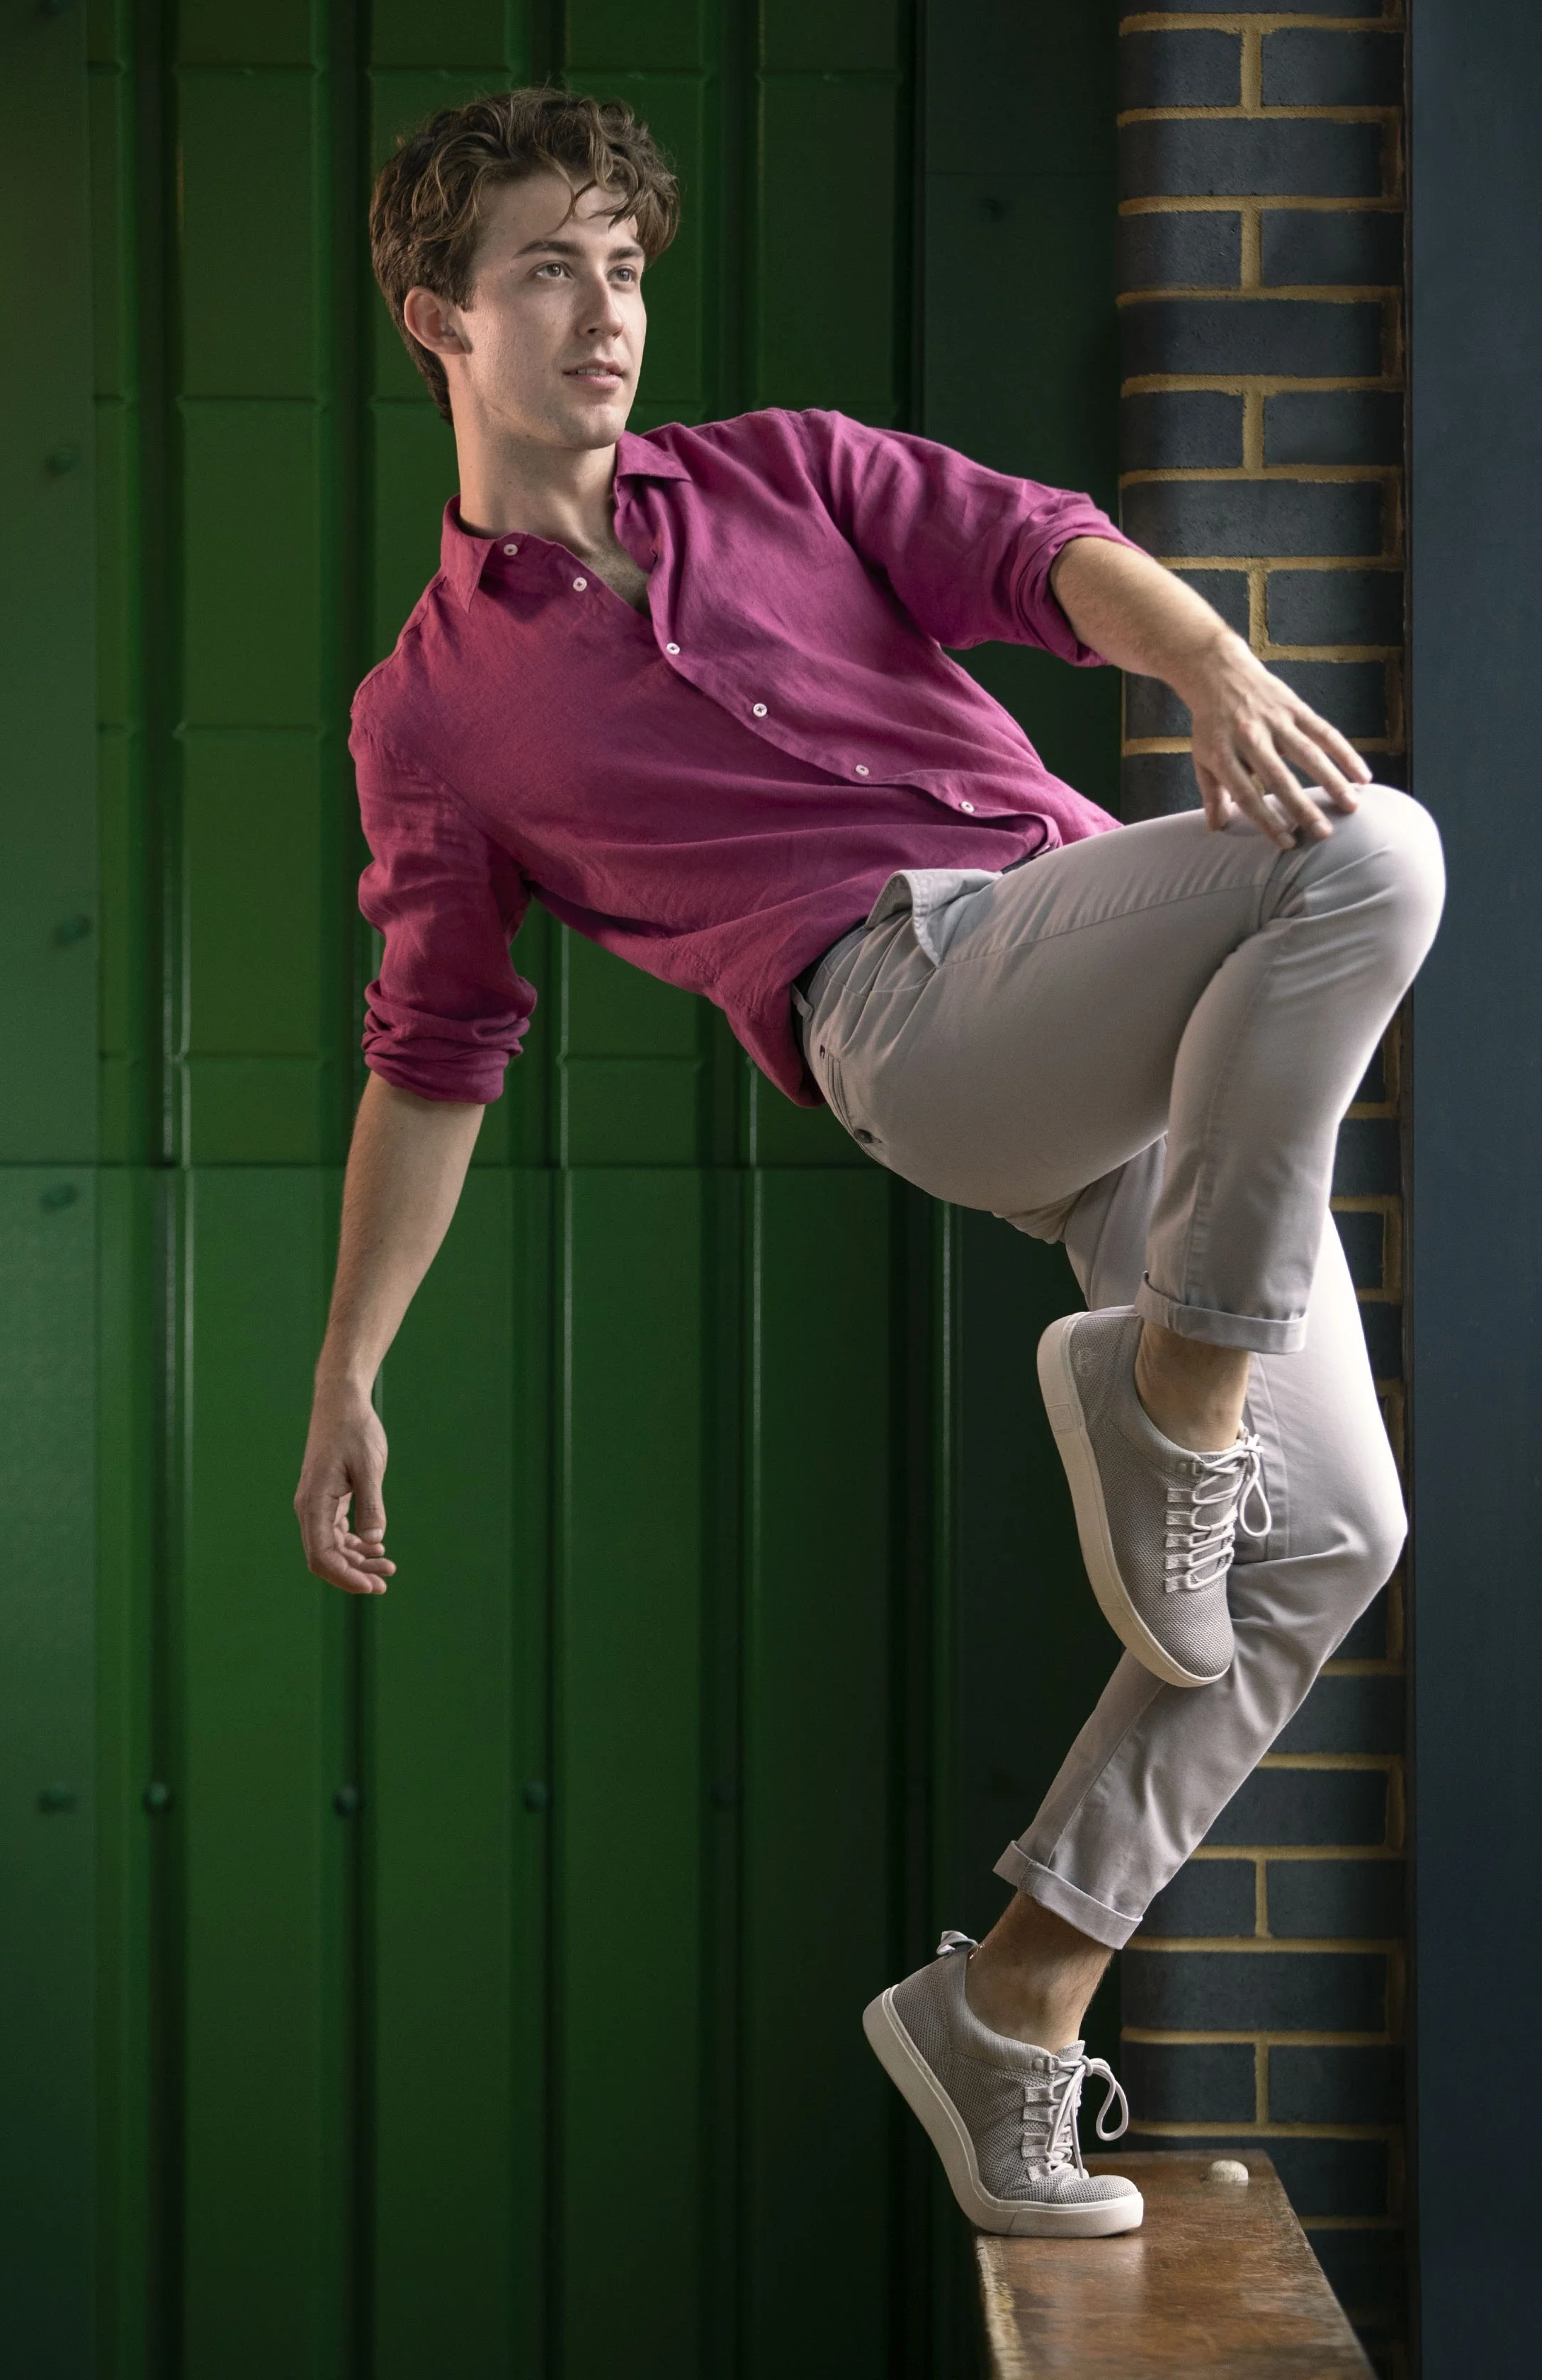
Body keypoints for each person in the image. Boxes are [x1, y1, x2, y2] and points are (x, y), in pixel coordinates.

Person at [293, 88, 1443, 2240]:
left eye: (626, 266)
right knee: (1370, 852)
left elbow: (1034, 546)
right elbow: (436, 1050)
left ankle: (1012, 2001)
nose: (608, 311)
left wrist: (1202, 653)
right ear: (437, 317)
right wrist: (352, 1369)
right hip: (912, 1014)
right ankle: (1176, 1393)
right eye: (548, 269)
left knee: (1333, 1543)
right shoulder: (430, 712)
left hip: (1123, 1026)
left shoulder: (793, 471)